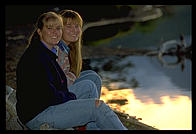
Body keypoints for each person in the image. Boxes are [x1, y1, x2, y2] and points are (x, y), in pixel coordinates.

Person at [16, 11, 127, 130]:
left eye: (58, 28)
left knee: (92, 89)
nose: (55, 32)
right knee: (98, 107)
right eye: (49, 28)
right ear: (39, 31)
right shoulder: (36, 57)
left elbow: (56, 87)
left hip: (45, 107)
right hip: (39, 115)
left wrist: (74, 100)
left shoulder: (46, 52)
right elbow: (49, 96)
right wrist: (72, 98)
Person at [56, 9, 102, 99]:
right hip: (56, 97)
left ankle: (91, 108)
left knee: (94, 77)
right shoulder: (57, 50)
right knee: (88, 86)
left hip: (63, 88)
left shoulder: (66, 48)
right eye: (69, 26)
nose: (74, 30)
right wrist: (72, 75)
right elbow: (59, 83)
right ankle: (93, 110)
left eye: (77, 26)